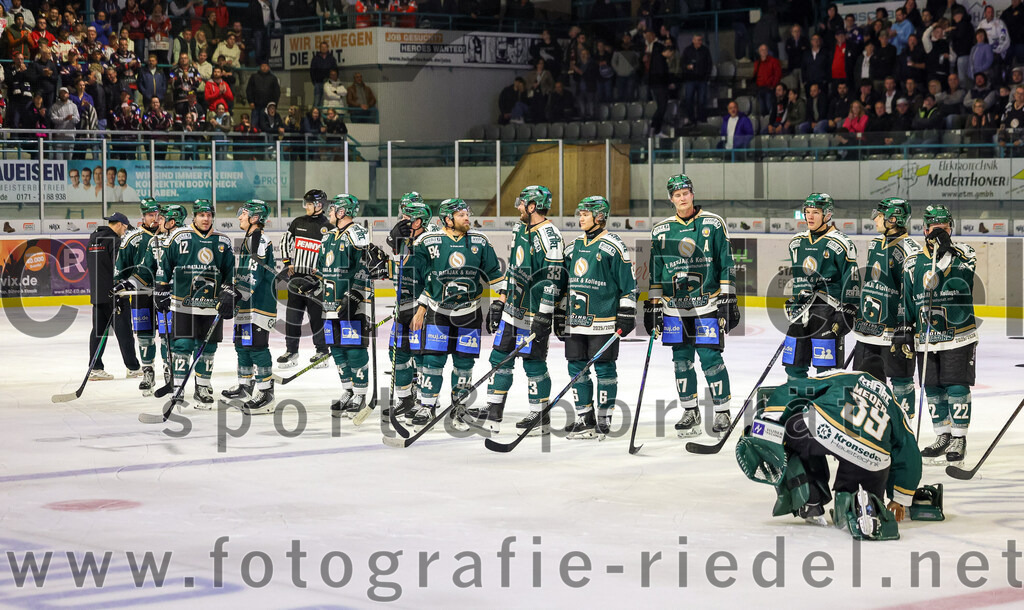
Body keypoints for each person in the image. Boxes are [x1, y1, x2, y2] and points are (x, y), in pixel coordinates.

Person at [736, 371, 922, 536]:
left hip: (825, 427)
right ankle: (855, 505)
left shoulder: (847, 375)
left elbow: (794, 387)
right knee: (863, 478)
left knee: (790, 429)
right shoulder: (895, 405)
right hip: (872, 454)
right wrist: (899, 498)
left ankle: (811, 500)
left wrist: (770, 419)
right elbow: (910, 453)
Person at [456, 186, 567, 435]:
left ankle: (540, 416)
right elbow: (514, 268)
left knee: (534, 363)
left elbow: (554, 279)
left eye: (522, 203)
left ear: (532, 206)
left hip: (534, 313)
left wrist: (544, 314)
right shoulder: (519, 228)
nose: (518, 206)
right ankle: (493, 410)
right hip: (512, 310)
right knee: (499, 358)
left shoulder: (550, 236)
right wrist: (501, 301)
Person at [644, 175, 738, 438]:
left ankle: (722, 411)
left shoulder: (713, 223)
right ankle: (690, 411)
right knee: (681, 361)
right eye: (677, 195)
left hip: (707, 304)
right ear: (671, 199)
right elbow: (656, 271)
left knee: (710, 358)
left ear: (692, 194)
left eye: (686, 193)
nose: (682, 198)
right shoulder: (660, 230)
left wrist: (728, 299)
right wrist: (653, 306)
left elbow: (726, 262)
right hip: (674, 308)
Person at [407, 198, 502, 427]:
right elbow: (419, 276)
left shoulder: (480, 241)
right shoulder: (428, 241)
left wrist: (500, 304)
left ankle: (459, 406)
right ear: (447, 219)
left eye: (467, 214)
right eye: (461, 215)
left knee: (464, 363)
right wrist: (404, 244)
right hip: (438, 311)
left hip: (469, 313)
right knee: (432, 360)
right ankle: (427, 406)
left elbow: (496, 276)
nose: (467, 218)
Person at [897, 205, 978, 464]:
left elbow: (965, 280)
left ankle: (959, 438)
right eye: (935, 227)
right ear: (925, 230)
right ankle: (943, 435)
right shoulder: (912, 262)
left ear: (950, 229)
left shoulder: (965, 253)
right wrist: (906, 330)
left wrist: (946, 250)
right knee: (932, 387)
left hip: (958, 333)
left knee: (956, 384)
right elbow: (908, 299)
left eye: (944, 228)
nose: (939, 231)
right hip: (926, 336)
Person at [559, 196, 636, 439]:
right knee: (575, 366)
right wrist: (560, 312)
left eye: (585, 214)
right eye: (580, 214)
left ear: (600, 216)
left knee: (604, 367)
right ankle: (585, 417)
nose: (580, 218)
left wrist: (627, 312)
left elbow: (628, 284)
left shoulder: (614, 246)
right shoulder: (571, 248)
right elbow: (564, 285)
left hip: (603, 320)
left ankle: (604, 418)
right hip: (575, 320)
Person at [154, 199, 234, 406]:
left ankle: (202, 387)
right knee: (183, 345)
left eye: (209, 215)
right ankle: (178, 387)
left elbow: (230, 272)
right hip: (183, 303)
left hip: (211, 305)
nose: (206, 219)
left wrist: (228, 291)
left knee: (208, 347)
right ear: (194, 217)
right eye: (201, 215)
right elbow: (165, 264)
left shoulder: (223, 241)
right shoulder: (179, 237)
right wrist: (161, 288)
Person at [851, 198, 920, 418]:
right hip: (868, 328)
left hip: (894, 331)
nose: (875, 219)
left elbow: (910, 293)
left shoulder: (911, 249)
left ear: (893, 219)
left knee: (901, 381)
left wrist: (905, 326)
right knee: (862, 382)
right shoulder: (875, 243)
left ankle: (903, 428)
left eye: (879, 216)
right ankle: (867, 428)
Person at [313, 194, 376, 418]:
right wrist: (313, 283)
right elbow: (322, 268)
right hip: (330, 303)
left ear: (342, 212)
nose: (328, 212)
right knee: (337, 349)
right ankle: (348, 390)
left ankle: (360, 393)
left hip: (352, 304)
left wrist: (357, 295)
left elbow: (366, 267)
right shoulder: (328, 237)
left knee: (355, 349)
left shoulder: (358, 234)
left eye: (332, 209)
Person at [783, 193, 859, 380]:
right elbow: (798, 277)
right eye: (807, 212)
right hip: (801, 310)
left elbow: (852, 278)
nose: (809, 217)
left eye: (815, 212)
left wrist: (848, 309)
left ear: (827, 215)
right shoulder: (797, 242)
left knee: (826, 371)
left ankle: (825, 400)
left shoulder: (841, 243)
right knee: (793, 366)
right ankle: (798, 399)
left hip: (828, 311)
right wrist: (794, 299)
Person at [220, 200, 278, 414]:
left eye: (243, 214)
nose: (239, 217)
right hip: (247, 303)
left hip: (259, 304)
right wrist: (233, 291)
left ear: (254, 218)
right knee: (242, 346)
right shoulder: (250, 238)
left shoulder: (259, 239)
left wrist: (237, 293)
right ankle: (245, 387)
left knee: (257, 347)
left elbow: (255, 271)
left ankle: (266, 394)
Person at [384, 194, 434, 419]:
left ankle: (425, 402)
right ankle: (405, 399)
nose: (402, 220)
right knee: (397, 353)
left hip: (421, 306)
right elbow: (399, 267)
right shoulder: (404, 239)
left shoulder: (430, 241)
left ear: (418, 221)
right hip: (402, 305)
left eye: (407, 218)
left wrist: (422, 308)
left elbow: (433, 279)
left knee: (422, 356)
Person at [109, 198, 163, 395]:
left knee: (168, 337)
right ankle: (148, 373)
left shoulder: (170, 236)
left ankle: (169, 374)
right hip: (140, 294)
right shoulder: (132, 238)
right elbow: (120, 267)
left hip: (166, 294)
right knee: (145, 336)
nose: (154, 218)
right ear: (143, 216)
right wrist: (118, 289)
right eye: (150, 215)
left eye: (157, 214)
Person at [277, 189, 332, 367]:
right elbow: (285, 241)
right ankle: (291, 351)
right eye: (306, 203)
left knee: (317, 317)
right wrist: (287, 263)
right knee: (292, 317)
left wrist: (322, 271)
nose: (306, 207)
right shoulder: (298, 222)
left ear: (319, 205)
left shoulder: (329, 226)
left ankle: (322, 351)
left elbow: (331, 253)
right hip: (297, 278)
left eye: (309, 204)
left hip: (317, 281)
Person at [86, 212, 141, 381]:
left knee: (98, 332)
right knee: (125, 332)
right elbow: (120, 268)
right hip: (116, 295)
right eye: (125, 228)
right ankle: (133, 367)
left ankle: (95, 367)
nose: (125, 231)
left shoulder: (92, 240)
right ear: (119, 224)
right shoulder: (116, 242)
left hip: (98, 294)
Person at [309, 41, 337, 107]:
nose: (324, 48)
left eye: (325, 47)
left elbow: (335, 70)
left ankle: (326, 114)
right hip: (318, 83)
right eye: (322, 47)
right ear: (320, 48)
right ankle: (315, 113)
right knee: (317, 101)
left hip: (329, 83)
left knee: (327, 101)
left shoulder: (331, 59)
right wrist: (314, 81)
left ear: (327, 48)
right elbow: (312, 71)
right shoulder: (315, 59)